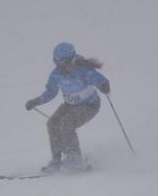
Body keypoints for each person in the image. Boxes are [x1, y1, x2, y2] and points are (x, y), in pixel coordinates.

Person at [25, 42, 110, 172]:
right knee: (52, 123)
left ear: (71, 59)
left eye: (62, 62)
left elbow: (98, 79)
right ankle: (56, 160)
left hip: (90, 105)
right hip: (70, 105)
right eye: (56, 62)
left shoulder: (83, 70)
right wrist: (36, 101)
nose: (59, 66)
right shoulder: (56, 74)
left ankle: (74, 159)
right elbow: (50, 92)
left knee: (67, 123)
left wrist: (103, 85)